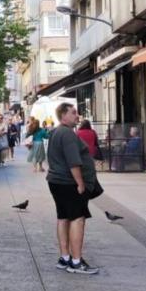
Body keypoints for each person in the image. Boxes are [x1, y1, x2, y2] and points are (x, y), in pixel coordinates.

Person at [46, 103, 99, 275]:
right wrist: (80, 183)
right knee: (77, 219)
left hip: (56, 180)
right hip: (69, 182)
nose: (77, 115)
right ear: (63, 116)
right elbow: (73, 161)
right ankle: (76, 262)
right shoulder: (67, 134)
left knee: (63, 218)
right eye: (73, 113)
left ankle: (65, 257)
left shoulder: (55, 131)